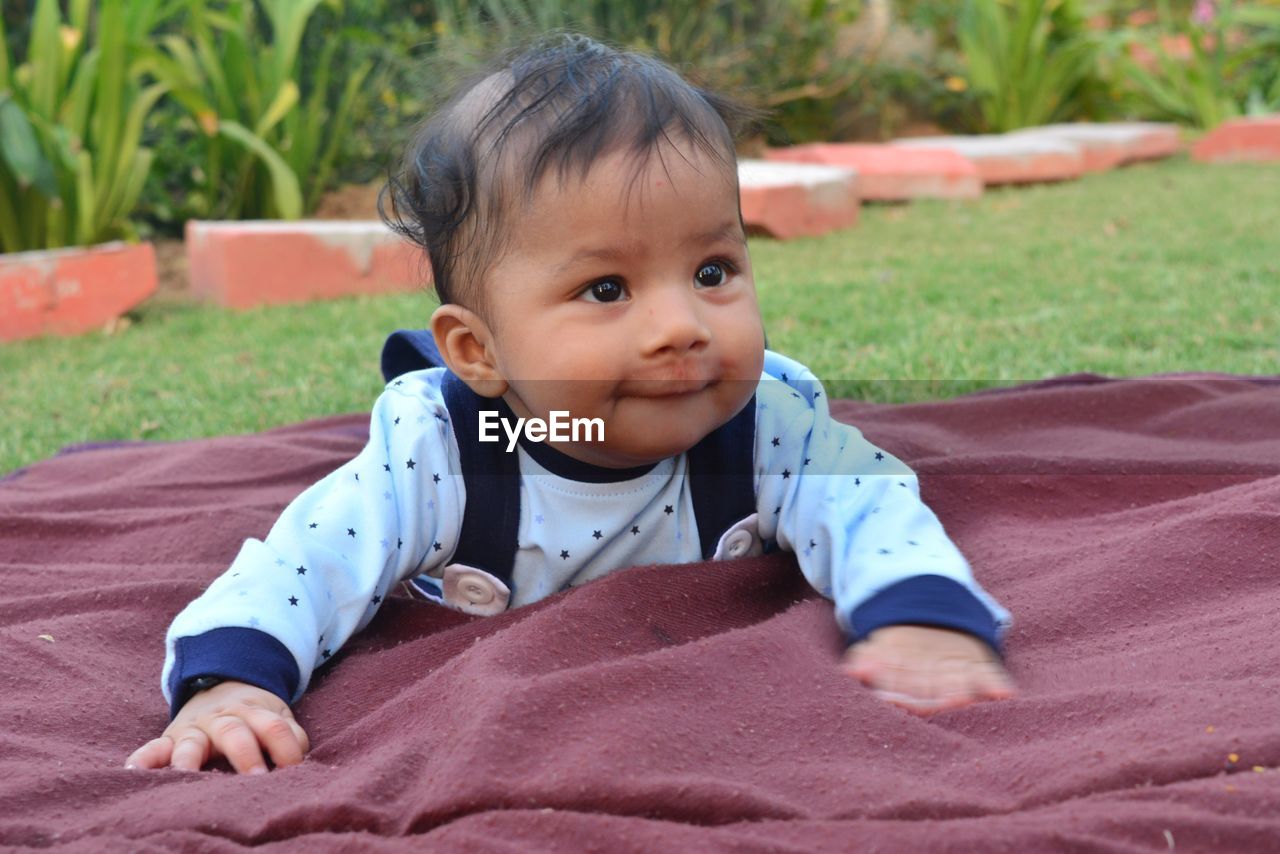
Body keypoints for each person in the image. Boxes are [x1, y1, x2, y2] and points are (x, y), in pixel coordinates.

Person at [127, 34, 1014, 776]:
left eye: (713, 272)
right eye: (605, 289)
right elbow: (301, 564)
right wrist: (232, 683)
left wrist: (920, 613)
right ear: (477, 350)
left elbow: (873, 507)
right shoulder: (440, 455)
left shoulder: (761, 427)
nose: (681, 327)